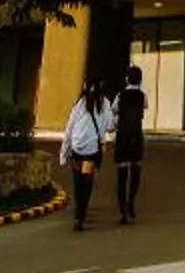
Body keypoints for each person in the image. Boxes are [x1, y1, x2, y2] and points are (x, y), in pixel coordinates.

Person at [61, 81, 114, 230]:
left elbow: (69, 128)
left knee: (77, 179)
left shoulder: (79, 103)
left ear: (85, 86)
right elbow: (110, 126)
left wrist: (63, 152)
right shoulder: (105, 103)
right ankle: (81, 213)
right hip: (91, 147)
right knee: (87, 180)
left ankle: (78, 209)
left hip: (77, 145)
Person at [111, 65, 149, 224]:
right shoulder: (143, 96)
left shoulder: (120, 95)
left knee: (122, 173)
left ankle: (122, 211)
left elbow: (114, 110)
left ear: (127, 78)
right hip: (136, 136)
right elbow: (145, 107)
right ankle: (131, 201)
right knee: (136, 169)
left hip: (123, 136)